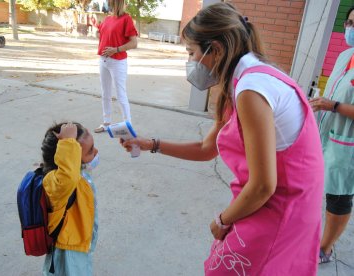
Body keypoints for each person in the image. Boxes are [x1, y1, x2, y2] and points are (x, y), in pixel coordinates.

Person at [121, 3, 324, 275]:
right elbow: (206, 148)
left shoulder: (252, 89)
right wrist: (151, 144)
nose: (191, 62)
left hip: (283, 208)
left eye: (192, 53)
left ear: (215, 49)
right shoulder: (242, 81)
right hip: (277, 201)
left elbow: (263, 185)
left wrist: (223, 219)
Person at [309, 6, 354, 264]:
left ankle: (325, 247)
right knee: (322, 189)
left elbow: (337, 101)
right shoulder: (345, 55)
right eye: (348, 22)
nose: (350, 28)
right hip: (327, 134)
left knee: (339, 197)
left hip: (348, 145)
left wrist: (334, 106)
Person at [41, 121, 99, 275]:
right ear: (71, 157)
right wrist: (67, 142)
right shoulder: (57, 183)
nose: (96, 152)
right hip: (66, 251)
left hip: (77, 244)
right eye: (90, 151)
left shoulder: (78, 175)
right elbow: (68, 176)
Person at [91, 0, 138, 133]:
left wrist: (116, 49)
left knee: (120, 94)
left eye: (110, 2)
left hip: (118, 62)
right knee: (105, 93)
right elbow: (100, 34)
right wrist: (98, 33)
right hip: (103, 60)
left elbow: (134, 43)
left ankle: (128, 126)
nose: (108, 4)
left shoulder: (126, 19)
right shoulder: (107, 19)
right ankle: (106, 123)